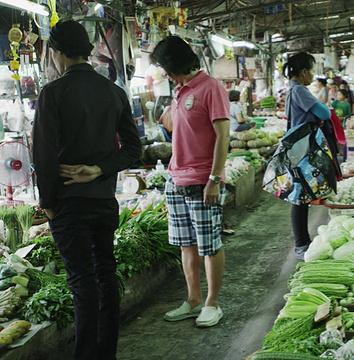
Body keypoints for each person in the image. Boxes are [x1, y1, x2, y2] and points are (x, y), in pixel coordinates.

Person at [31, 20, 142, 360]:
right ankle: (105, 352)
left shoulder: (52, 92)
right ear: (88, 50)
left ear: (56, 52)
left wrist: (48, 204)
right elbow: (133, 150)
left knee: (82, 282)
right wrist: (99, 169)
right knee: (105, 276)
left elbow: (43, 155)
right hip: (103, 201)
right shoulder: (113, 91)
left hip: (67, 203)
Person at [150, 36, 230, 327]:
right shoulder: (180, 90)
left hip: (202, 180)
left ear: (176, 63)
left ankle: (212, 303)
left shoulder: (212, 88)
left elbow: (223, 135)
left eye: (164, 67)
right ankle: (193, 298)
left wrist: (214, 179)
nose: (164, 74)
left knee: (209, 245)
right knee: (186, 245)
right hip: (176, 178)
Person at [283, 52, 339, 261]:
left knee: (302, 194)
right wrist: (322, 110)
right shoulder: (299, 90)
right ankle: (301, 243)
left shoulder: (293, 90)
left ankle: (303, 241)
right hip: (302, 147)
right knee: (300, 196)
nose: (313, 76)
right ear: (304, 72)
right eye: (312, 72)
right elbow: (324, 113)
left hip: (299, 146)